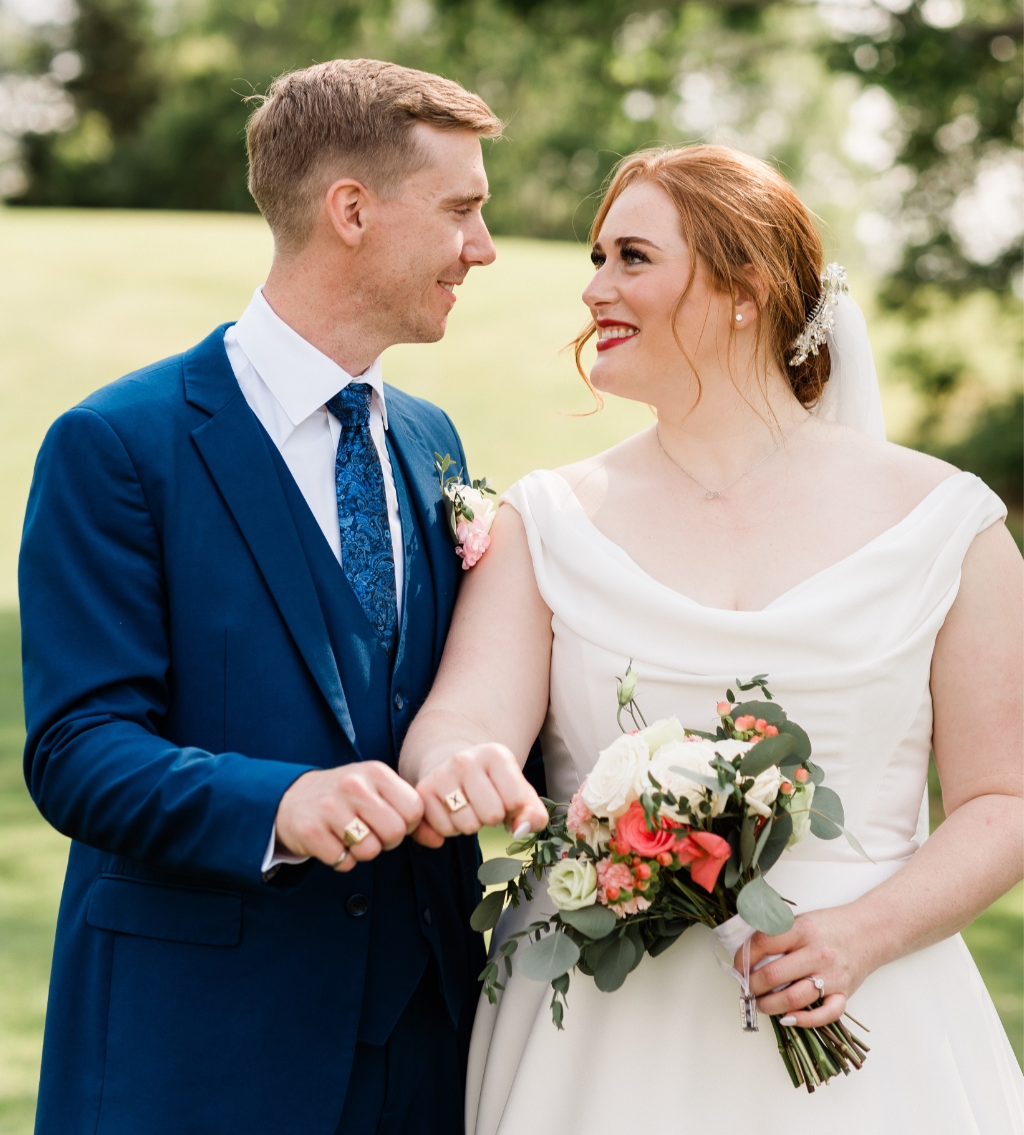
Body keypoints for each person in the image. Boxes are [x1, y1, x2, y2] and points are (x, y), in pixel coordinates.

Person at [400, 144, 1024, 1134]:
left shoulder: (948, 526)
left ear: (746, 290)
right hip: (597, 1046)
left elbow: (1004, 799)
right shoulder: (548, 517)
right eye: (596, 256)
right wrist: (461, 762)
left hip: (870, 1016)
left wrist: (861, 937)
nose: (594, 287)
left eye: (632, 257)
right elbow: (463, 718)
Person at [20, 59, 511, 1135]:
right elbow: (77, 747)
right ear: (350, 210)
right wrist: (278, 805)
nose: (483, 247)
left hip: (426, 1044)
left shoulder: (432, 443)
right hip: (200, 1052)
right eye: (462, 211)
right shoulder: (118, 445)